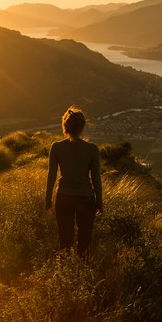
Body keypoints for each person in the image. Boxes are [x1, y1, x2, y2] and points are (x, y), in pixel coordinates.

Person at [45, 105, 103, 259]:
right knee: (84, 241)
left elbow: (51, 176)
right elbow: (96, 178)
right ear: (82, 126)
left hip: (63, 197)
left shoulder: (56, 147)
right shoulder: (92, 149)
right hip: (86, 198)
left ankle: (65, 272)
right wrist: (100, 202)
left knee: (65, 240)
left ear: (65, 126)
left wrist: (47, 201)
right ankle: (81, 274)